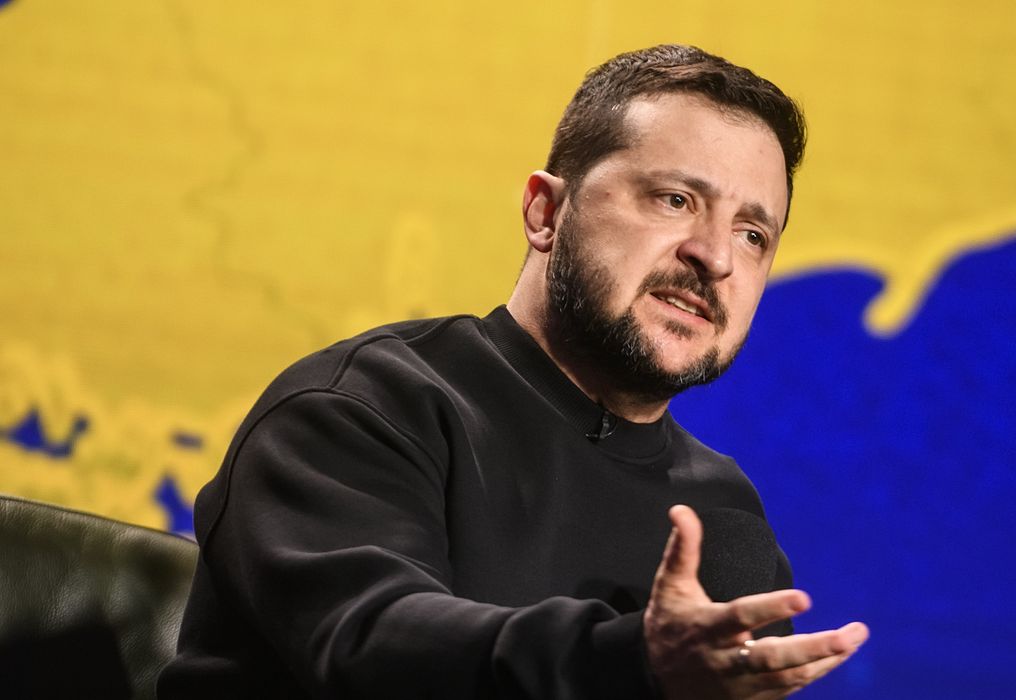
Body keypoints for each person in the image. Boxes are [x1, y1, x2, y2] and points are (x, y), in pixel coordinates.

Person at [159, 44, 868, 699]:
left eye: (753, 234)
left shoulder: (724, 513)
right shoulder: (360, 409)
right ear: (544, 211)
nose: (714, 257)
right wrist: (631, 662)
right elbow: (368, 649)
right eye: (674, 200)